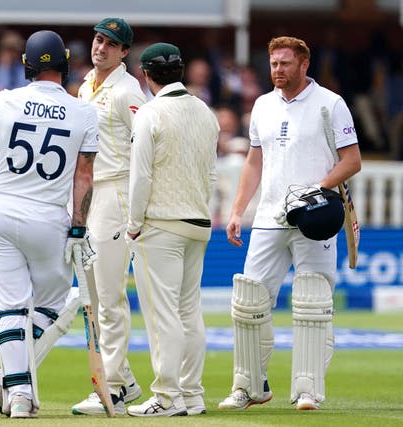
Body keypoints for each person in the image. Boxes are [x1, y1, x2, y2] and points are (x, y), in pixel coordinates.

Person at [0, 29, 99, 418]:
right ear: (64, 64)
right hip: (47, 215)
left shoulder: (7, 99)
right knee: (53, 303)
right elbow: (84, 176)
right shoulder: (83, 110)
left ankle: (18, 394)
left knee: (9, 306)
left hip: (2, 210)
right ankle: (12, 385)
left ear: (26, 65)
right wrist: (78, 226)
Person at [218, 36, 361, 412]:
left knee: (313, 301)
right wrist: (237, 211)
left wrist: (315, 190)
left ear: (304, 64)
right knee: (249, 301)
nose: (277, 71)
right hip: (268, 218)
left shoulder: (331, 104)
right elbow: (254, 162)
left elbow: (352, 160)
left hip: (315, 217)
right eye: (273, 64)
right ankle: (249, 387)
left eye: (284, 64)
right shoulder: (263, 105)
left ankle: (308, 389)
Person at [125, 42, 219, 417]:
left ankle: (166, 396)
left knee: (162, 313)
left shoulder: (150, 113)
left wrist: (133, 224)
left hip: (161, 224)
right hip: (197, 221)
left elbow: (140, 176)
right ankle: (191, 394)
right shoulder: (206, 112)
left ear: (145, 75)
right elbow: (210, 175)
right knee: (188, 312)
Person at [71, 17, 146, 416]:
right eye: (98, 39)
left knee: (110, 297)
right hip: (91, 193)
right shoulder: (86, 85)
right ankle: (123, 379)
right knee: (94, 295)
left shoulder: (128, 91)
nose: (100, 47)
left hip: (116, 192)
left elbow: (146, 145)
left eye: (110, 43)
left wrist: (139, 207)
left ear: (123, 52)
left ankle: (113, 386)